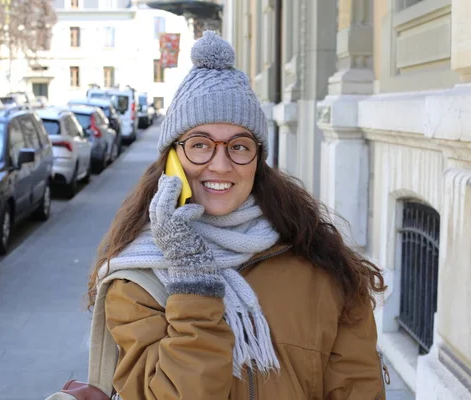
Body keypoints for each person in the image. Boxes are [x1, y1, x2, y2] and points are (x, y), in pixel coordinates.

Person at [87, 31, 388, 400]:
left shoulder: (322, 263)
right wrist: (192, 281)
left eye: (238, 146)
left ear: (257, 161)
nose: (220, 164)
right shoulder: (136, 279)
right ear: (171, 159)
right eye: (199, 144)